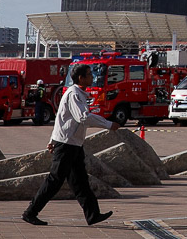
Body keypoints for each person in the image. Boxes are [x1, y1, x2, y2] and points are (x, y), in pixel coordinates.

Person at [22, 64, 119, 227]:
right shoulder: (74, 94)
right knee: (55, 180)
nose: (92, 77)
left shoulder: (80, 94)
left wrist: (53, 140)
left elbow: (62, 119)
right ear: (80, 78)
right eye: (89, 74)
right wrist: (108, 124)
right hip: (66, 144)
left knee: (80, 181)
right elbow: (82, 117)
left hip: (74, 144)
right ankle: (30, 212)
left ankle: (93, 214)